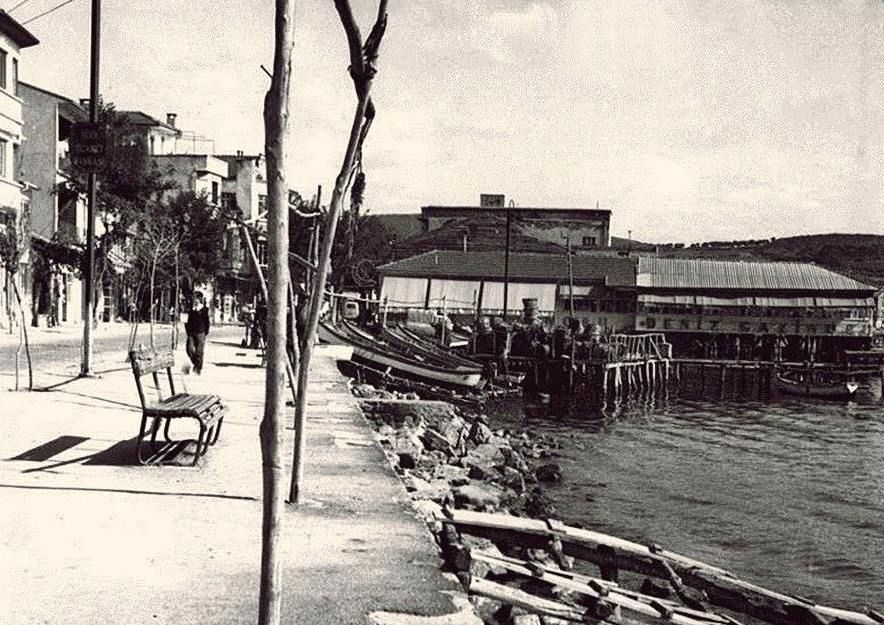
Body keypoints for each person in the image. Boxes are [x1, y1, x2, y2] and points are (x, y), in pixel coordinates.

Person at [184, 291, 210, 374]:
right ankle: (196, 363)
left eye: (196, 298)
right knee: (189, 349)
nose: (194, 300)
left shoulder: (204, 309)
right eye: (193, 298)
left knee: (199, 351)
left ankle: (198, 367)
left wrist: (205, 331)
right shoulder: (190, 309)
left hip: (200, 332)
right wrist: (187, 331)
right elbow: (186, 321)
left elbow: (207, 321)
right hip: (191, 332)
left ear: (200, 299)